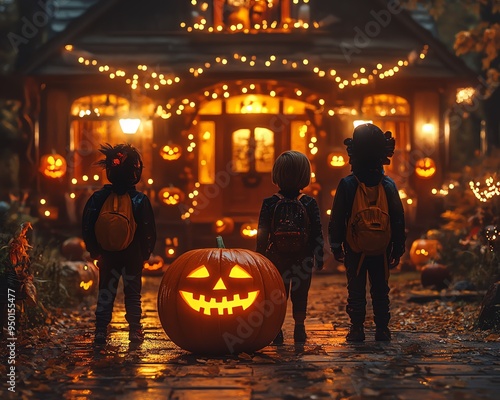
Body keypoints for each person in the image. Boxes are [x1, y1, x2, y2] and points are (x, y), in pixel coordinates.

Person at [328, 123, 406, 342]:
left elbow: (337, 217)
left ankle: (357, 329)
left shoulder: (347, 184)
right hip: (382, 246)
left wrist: (336, 245)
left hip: (355, 246)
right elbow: (398, 217)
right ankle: (382, 329)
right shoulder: (388, 185)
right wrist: (398, 247)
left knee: (356, 288)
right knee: (381, 289)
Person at [82, 143, 156, 345]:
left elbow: (87, 225)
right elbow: (148, 229)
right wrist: (145, 253)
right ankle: (135, 330)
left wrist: (94, 251)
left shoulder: (98, 198)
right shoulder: (140, 199)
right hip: (132, 254)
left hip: (107, 254)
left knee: (106, 291)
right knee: (133, 293)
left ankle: (100, 330)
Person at [256, 150, 324, 344]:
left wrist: (259, 256)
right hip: (304, 258)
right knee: (300, 293)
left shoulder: (269, 203)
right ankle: (299, 328)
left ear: (277, 174)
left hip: (276, 258)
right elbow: (316, 231)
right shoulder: (309, 203)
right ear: (304, 175)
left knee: (278, 295)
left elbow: (263, 231)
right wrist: (318, 256)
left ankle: (277, 329)